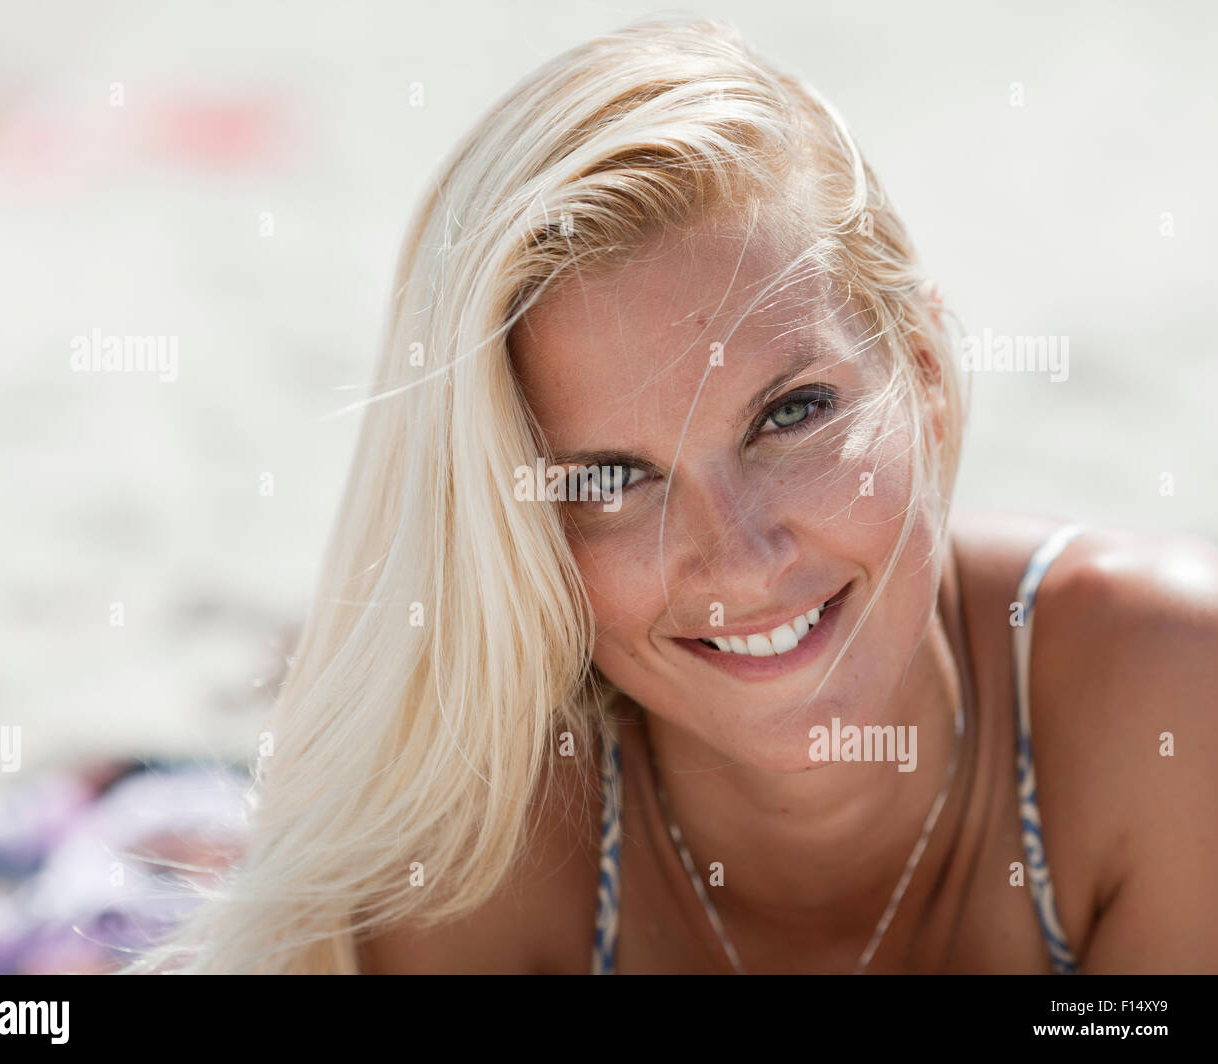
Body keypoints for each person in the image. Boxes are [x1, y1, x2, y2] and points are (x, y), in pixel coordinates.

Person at [128, 16, 1218, 975]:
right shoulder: (475, 847)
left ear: (925, 373)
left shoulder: (1173, 697)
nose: (738, 558)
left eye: (792, 414)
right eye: (611, 479)